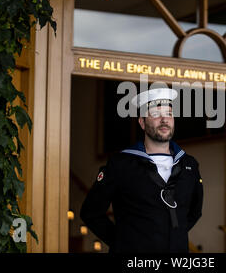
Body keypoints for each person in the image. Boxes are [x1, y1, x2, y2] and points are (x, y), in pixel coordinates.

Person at [80, 87, 203, 253]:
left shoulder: (190, 165)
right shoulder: (121, 164)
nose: (164, 119)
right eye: (155, 114)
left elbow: (194, 212)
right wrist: (122, 242)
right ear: (142, 122)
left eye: (169, 113)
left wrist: (173, 237)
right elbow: (91, 212)